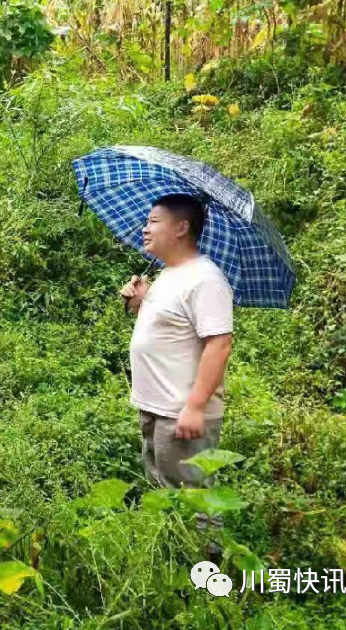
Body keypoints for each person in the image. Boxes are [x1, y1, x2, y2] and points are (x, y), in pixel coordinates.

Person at [120, 194, 234, 500]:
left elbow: (220, 345)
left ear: (181, 228)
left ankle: (202, 549)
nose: (145, 229)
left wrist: (195, 407)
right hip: (155, 405)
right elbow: (166, 329)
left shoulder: (206, 279)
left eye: (154, 222)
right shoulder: (168, 273)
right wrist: (138, 301)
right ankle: (173, 547)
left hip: (180, 411)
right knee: (162, 491)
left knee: (190, 497)